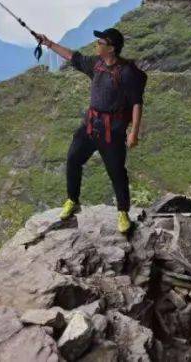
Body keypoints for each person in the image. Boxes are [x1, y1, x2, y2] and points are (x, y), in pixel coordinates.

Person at [34, 27, 146, 234]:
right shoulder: (96, 64)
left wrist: (134, 132)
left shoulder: (127, 73)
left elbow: (137, 103)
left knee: (116, 172)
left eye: (100, 43)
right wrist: (48, 43)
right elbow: (72, 56)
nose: (97, 45)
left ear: (111, 48)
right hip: (90, 125)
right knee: (73, 159)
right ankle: (73, 200)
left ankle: (123, 213)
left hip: (111, 131)